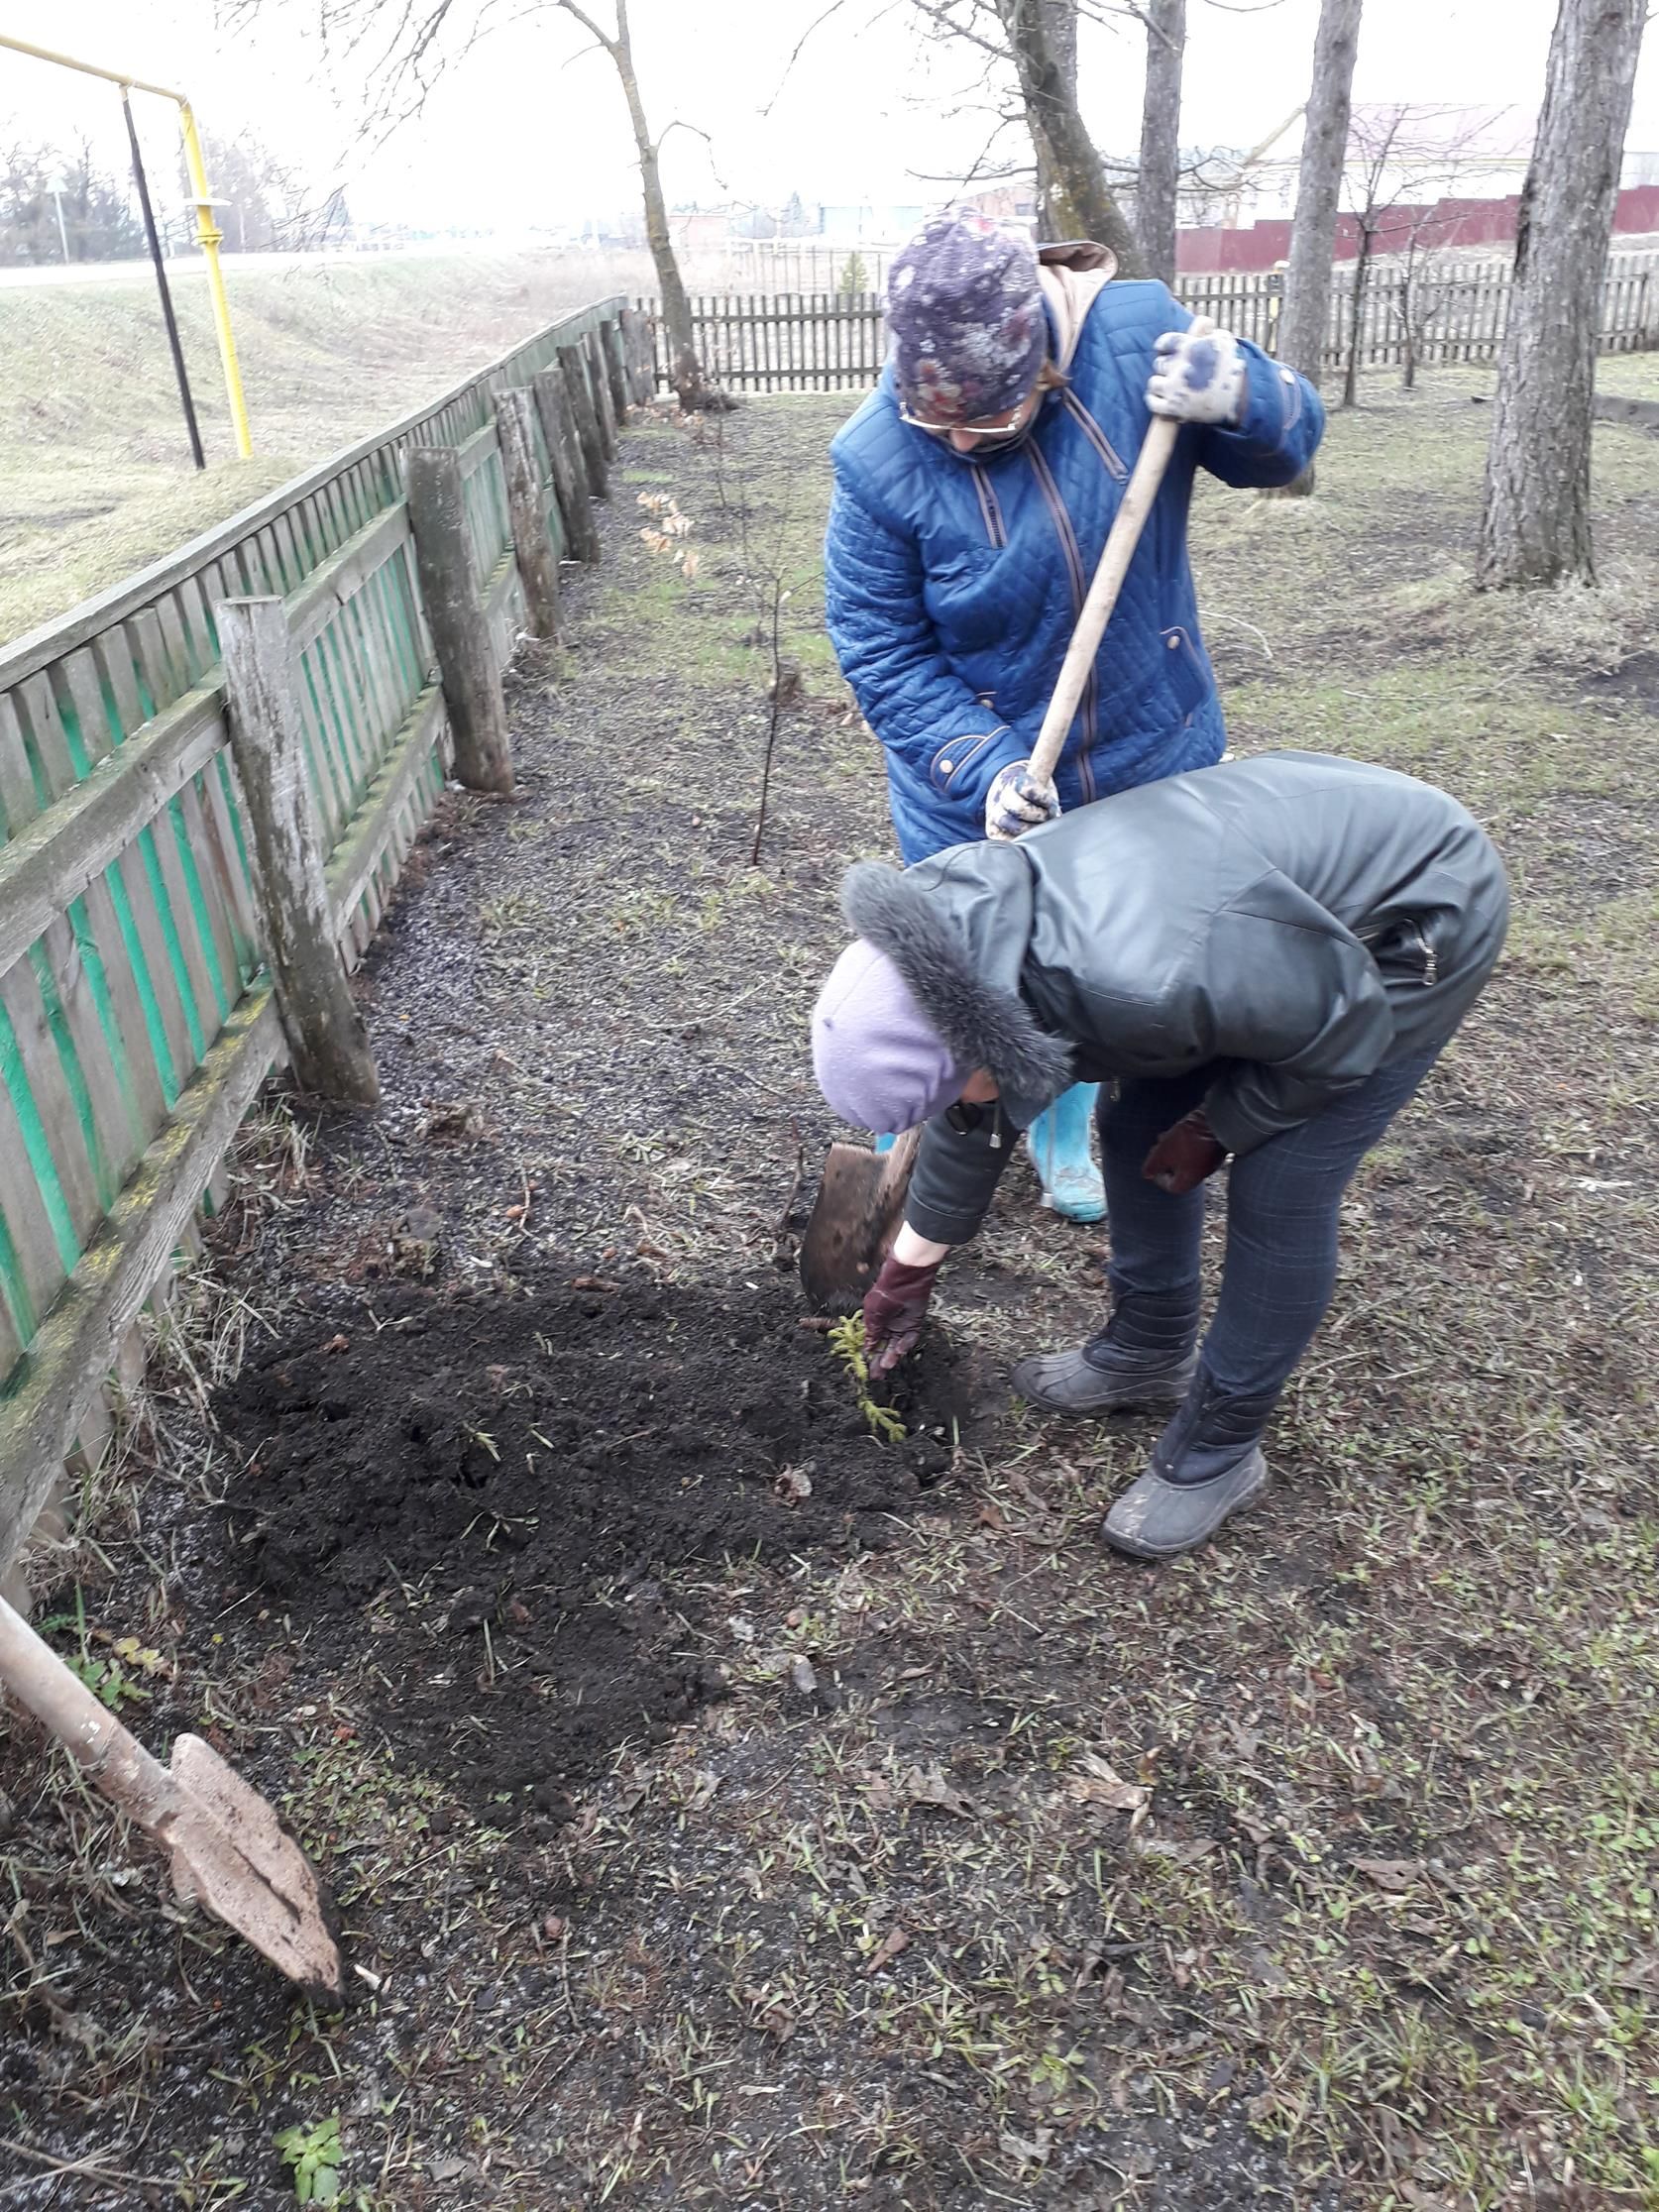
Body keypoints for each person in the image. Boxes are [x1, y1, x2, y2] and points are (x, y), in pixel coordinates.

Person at [809, 753, 1509, 1560]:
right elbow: (979, 1110)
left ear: (975, 1045)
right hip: (1248, 922)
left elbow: (1342, 1034)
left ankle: (1219, 1449)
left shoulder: (1142, 984)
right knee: (1139, 1119)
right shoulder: (961, 940)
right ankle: (1150, 1347)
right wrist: (911, 1265)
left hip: (1408, 918)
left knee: (1282, 1183)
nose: (951, 1111)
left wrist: (1224, 1123)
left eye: (944, 1096)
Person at [824, 210, 1324, 1221]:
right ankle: (918, 1137)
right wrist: (985, 764)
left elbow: (1290, 451)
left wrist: (1245, 396)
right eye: (938, 423)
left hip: (1151, 755)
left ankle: (1059, 1131)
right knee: (953, 982)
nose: (957, 439)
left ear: (1042, 365)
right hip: (973, 785)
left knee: (1100, 971)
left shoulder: (1135, 338)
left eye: (985, 420)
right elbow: (880, 649)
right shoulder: (877, 460)